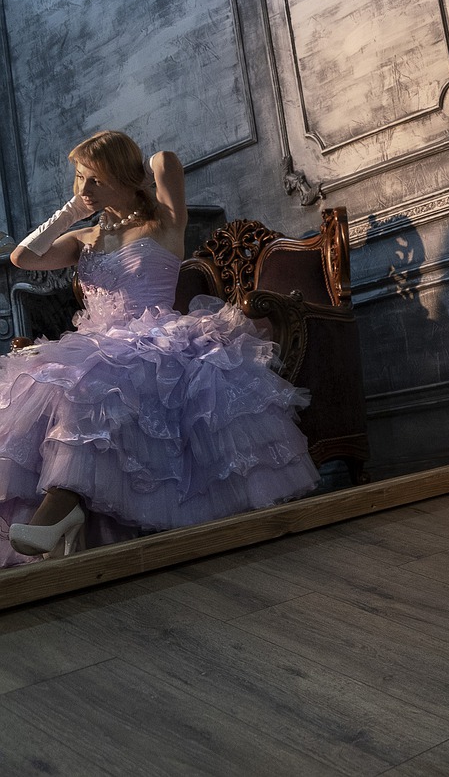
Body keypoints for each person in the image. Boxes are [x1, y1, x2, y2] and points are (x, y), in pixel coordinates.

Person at [0, 130, 318, 565]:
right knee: (53, 383)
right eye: (79, 179)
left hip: (158, 340)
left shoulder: (165, 222)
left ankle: (62, 508)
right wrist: (73, 210)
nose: (84, 189)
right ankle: (63, 508)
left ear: (123, 176)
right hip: (97, 342)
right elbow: (23, 257)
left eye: (94, 179)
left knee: (97, 382)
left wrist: (132, 171)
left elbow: (165, 161)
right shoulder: (85, 239)